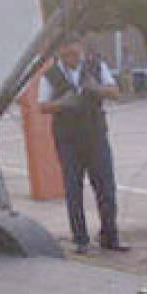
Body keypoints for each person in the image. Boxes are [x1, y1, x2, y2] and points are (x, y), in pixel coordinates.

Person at [38, 34, 125, 254]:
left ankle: (110, 236)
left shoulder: (96, 66)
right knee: (73, 188)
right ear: (59, 53)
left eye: (75, 53)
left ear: (81, 49)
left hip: (95, 136)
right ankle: (80, 238)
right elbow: (42, 106)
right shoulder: (51, 75)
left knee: (106, 188)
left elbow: (114, 92)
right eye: (67, 54)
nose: (72, 57)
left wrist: (97, 88)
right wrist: (61, 104)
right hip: (68, 139)